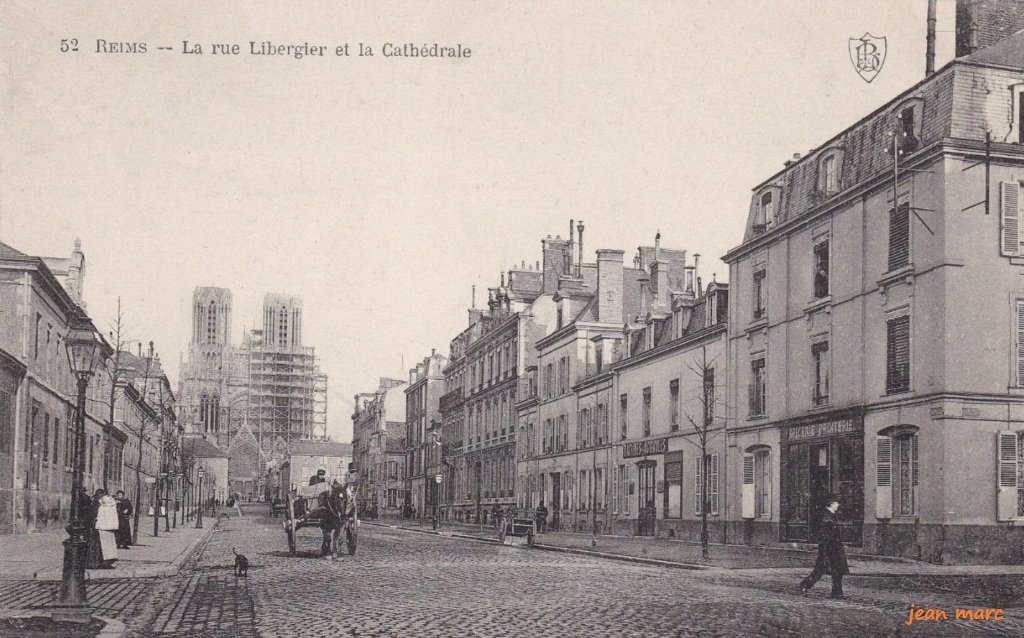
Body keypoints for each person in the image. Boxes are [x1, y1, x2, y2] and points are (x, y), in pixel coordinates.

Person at [800, 496, 849, 599]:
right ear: (831, 504)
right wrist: (825, 551)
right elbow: (825, 536)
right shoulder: (826, 517)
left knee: (837, 571)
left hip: (834, 548)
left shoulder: (831, 515)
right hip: (829, 549)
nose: (838, 505)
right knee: (820, 570)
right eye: (836, 503)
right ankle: (805, 585)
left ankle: (837, 593)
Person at [94, 490, 120, 568]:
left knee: (104, 546)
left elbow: (98, 516)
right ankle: (110, 560)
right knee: (110, 545)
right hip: (111, 527)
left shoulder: (102, 506)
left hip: (102, 527)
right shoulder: (112, 504)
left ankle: (104, 561)